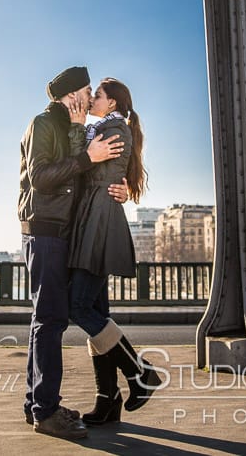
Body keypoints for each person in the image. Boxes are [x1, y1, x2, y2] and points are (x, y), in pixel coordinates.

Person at [18, 65, 128, 440]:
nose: (88, 96)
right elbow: (42, 177)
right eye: (84, 90)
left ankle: (38, 402)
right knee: (49, 319)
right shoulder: (43, 124)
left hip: (66, 233)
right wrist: (86, 157)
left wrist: (120, 190)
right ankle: (46, 411)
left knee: (49, 320)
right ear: (71, 96)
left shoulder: (71, 126)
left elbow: (84, 178)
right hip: (46, 230)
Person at [67, 78, 161, 425]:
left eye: (98, 95)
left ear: (113, 103)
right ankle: (108, 399)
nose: (92, 98)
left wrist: (78, 128)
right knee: (96, 312)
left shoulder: (114, 129)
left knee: (77, 306)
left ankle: (141, 373)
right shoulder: (110, 126)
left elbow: (84, 165)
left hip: (98, 223)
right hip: (94, 218)